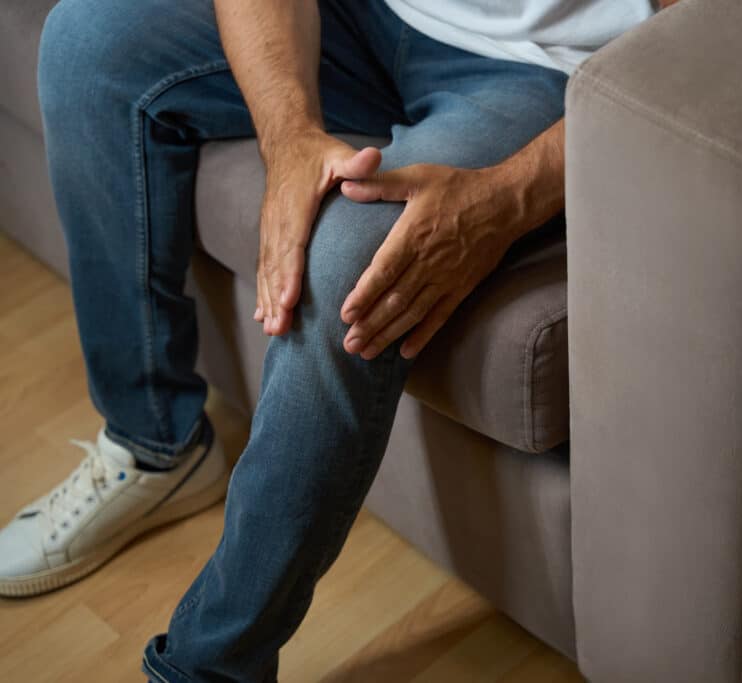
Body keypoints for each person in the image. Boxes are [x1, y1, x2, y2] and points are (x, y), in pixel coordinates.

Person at [0, 0, 667, 679]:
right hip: (369, 14)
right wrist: (287, 134)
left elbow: (705, 31)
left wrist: (508, 197)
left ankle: (211, 667)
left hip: (546, 70)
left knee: (350, 269)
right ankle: (153, 446)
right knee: (88, 43)